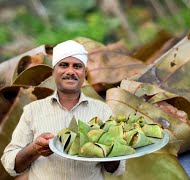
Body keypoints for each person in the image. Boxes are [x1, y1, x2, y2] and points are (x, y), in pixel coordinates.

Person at [1, 40, 125, 180]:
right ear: (53, 72)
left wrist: (102, 148)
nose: (70, 71)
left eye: (77, 66)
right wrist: (35, 149)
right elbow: (11, 164)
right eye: (64, 65)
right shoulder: (32, 111)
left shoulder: (102, 109)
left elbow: (117, 168)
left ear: (85, 73)